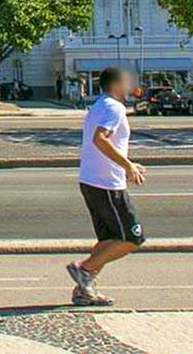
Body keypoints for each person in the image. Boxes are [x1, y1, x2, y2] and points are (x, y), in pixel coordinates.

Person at [67, 66, 146, 306]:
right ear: (116, 85)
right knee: (132, 238)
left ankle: (84, 289)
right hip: (108, 184)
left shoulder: (99, 105)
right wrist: (127, 166)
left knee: (108, 239)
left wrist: (129, 163)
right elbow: (100, 139)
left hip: (91, 180)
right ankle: (84, 269)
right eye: (126, 82)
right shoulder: (114, 107)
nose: (130, 86)